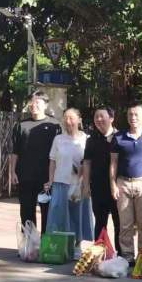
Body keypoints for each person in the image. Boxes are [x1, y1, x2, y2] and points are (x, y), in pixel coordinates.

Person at [110, 102, 142, 263]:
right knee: (125, 224)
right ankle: (127, 256)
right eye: (130, 114)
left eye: (136, 114)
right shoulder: (118, 137)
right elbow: (113, 163)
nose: (133, 117)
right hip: (123, 183)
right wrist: (112, 184)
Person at [45, 108, 94, 258]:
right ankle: (59, 246)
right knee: (59, 215)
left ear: (79, 120)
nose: (68, 121)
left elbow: (90, 162)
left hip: (79, 184)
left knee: (78, 215)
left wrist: (84, 175)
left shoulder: (87, 139)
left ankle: (78, 245)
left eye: (71, 118)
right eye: (65, 118)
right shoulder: (58, 139)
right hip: (61, 182)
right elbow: (52, 161)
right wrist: (50, 180)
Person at [10, 91, 61, 231]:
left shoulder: (55, 125)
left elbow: (59, 153)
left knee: (47, 212)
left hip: (46, 177)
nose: (33, 105)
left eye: (37, 102)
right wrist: (12, 171)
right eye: (31, 102)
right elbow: (15, 151)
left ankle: (46, 242)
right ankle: (29, 242)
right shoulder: (21, 125)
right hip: (25, 176)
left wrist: (54, 176)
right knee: (26, 211)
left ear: (45, 105)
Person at [82, 106, 120, 252]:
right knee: (100, 222)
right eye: (96, 117)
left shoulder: (120, 137)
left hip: (117, 187)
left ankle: (121, 254)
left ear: (111, 118)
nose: (98, 119)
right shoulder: (91, 139)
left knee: (119, 222)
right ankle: (99, 254)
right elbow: (87, 163)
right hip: (98, 186)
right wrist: (86, 185)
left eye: (102, 116)